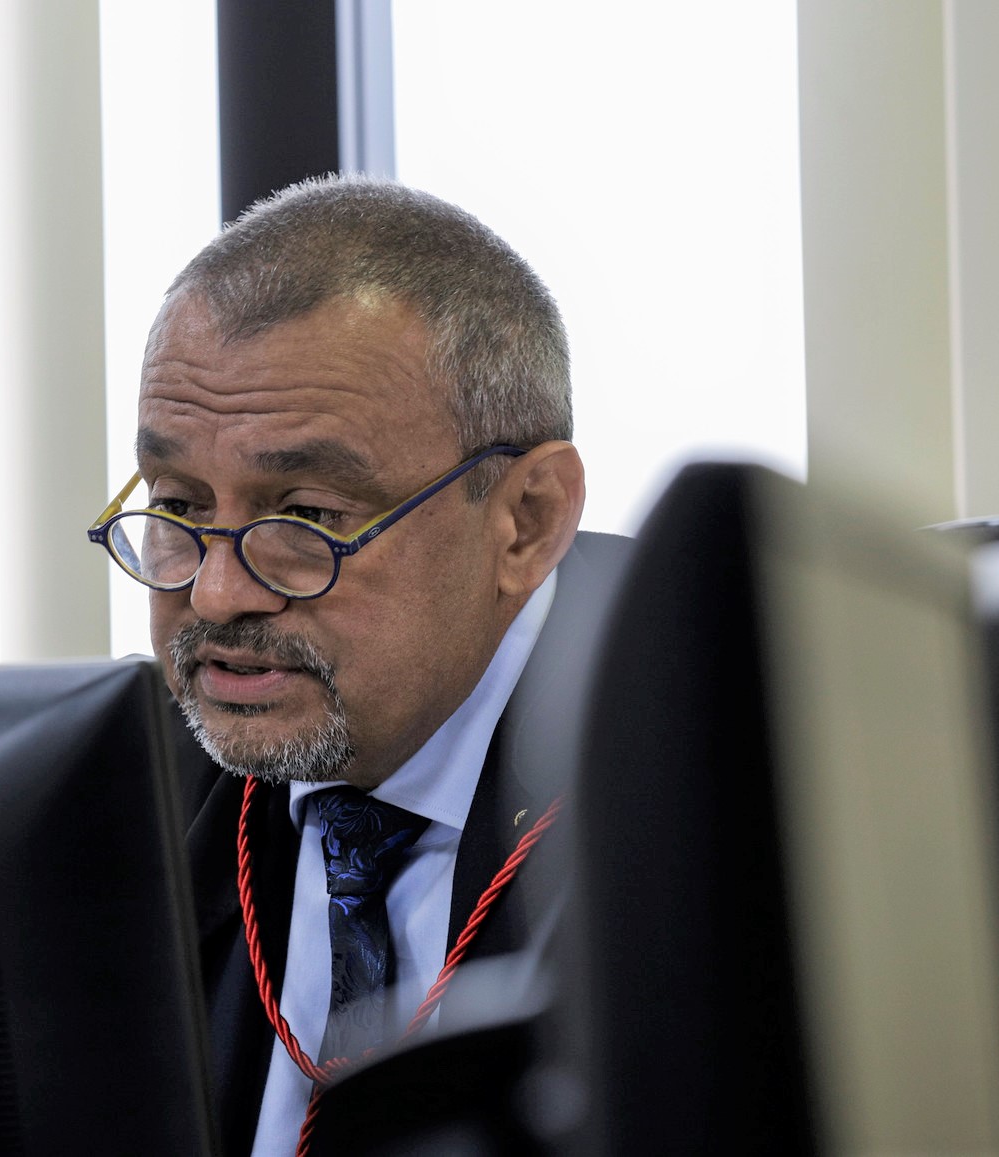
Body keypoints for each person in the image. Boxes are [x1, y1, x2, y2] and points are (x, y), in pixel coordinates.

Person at [87, 177, 631, 1156]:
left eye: (306, 516)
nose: (216, 594)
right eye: (176, 504)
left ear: (527, 519)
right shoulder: (108, 809)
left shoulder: (723, 791)